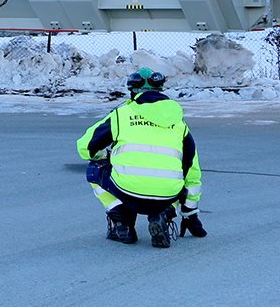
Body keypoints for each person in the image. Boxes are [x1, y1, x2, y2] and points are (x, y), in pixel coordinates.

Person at [76, 67, 207, 248]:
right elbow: (192, 171)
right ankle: (165, 213)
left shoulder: (122, 115)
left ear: (133, 91)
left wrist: (105, 155)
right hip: (167, 195)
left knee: (94, 169)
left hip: (128, 191)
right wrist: (190, 213)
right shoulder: (179, 123)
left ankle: (122, 220)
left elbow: (85, 147)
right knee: (178, 175)